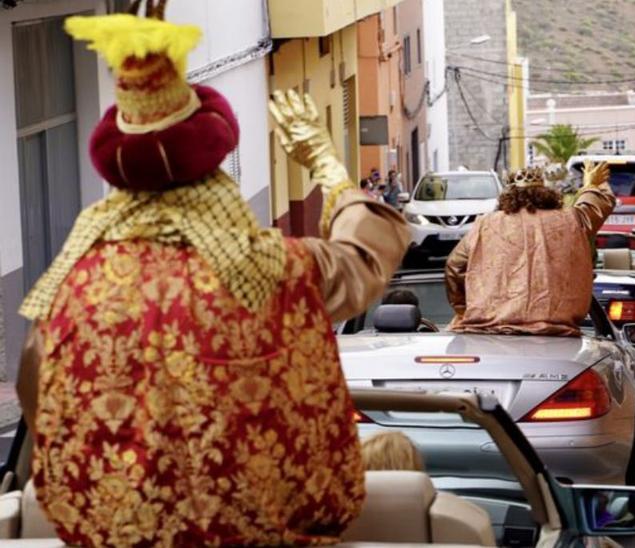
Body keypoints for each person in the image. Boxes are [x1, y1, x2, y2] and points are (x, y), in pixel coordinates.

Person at [15, 9, 410, 545]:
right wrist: (324, 163)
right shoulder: (277, 271)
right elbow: (367, 255)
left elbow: (42, 416)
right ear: (216, 164)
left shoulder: (68, 295)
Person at [445, 163, 615, 336]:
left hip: (490, 331)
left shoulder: (485, 224)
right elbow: (595, 207)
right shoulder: (571, 220)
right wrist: (591, 185)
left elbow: (454, 267)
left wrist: (465, 311)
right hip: (555, 334)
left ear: (506, 197)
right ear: (546, 194)